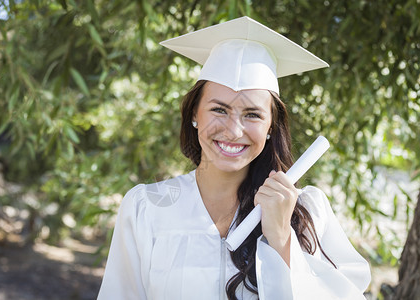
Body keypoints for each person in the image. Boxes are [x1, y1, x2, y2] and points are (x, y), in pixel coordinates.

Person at [97, 16, 371, 300]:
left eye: (252, 114)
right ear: (194, 114)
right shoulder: (147, 209)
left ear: (270, 128)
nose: (233, 130)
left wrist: (281, 237)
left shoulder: (307, 211)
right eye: (219, 110)